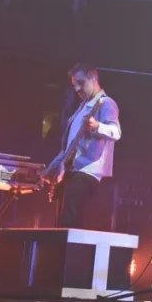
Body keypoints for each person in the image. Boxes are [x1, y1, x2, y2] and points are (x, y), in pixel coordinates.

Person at [44, 63, 121, 229]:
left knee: (69, 223)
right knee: (61, 223)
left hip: (87, 172)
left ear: (93, 77)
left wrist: (97, 126)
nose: (78, 88)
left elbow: (116, 132)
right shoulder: (81, 109)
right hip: (72, 172)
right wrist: (53, 167)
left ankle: (66, 254)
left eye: (81, 82)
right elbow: (69, 146)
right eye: (74, 85)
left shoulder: (106, 103)